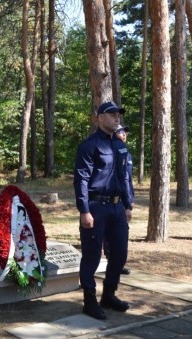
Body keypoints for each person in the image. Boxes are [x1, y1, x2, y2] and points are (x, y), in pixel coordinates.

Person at [73, 101, 134, 320]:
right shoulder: (89, 145)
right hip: (96, 207)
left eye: (118, 114)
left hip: (117, 208)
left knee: (119, 253)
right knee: (91, 256)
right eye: (111, 114)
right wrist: (84, 210)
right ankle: (89, 301)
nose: (117, 117)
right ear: (99, 118)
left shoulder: (119, 146)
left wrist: (127, 204)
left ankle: (109, 294)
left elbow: (124, 177)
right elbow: (81, 179)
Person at [106, 125, 134, 275]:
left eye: (125, 132)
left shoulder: (127, 153)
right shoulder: (109, 150)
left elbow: (128, 180)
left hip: (124, 198)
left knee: (123, 232)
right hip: (110, 199)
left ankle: (118, 262)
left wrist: (130, 199)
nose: (124, 134)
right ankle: (111, 260)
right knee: (109, 232)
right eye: (121, 132)